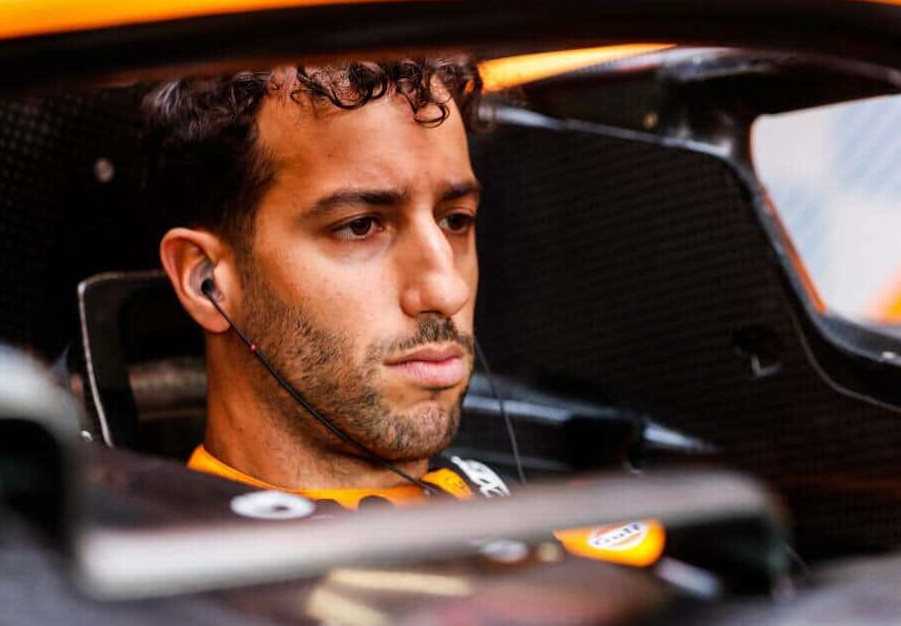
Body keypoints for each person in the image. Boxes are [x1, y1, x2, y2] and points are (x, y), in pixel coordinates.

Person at [145, 59, 664, 565]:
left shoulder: (576, 526)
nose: (446, 290)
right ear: (206, 282)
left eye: (456, 220)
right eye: (360, 226)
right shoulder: (178, 584)